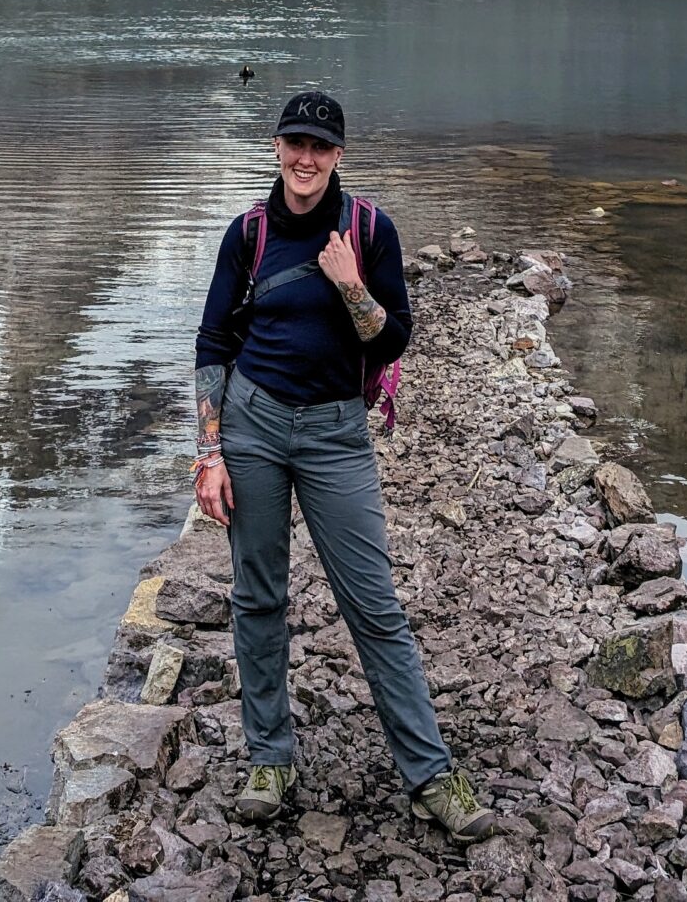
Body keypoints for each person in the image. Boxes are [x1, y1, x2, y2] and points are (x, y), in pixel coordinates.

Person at [193, 86, 499, 841]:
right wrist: (210, 453)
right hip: (254, 427)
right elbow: (212, 345)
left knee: (374, 606)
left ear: (338, 155)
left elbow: (392, 340)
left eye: (320, 147)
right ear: (277, 148)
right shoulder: (249, 233)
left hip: (337, 435)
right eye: (294, 144)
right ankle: (270, 759)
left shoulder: (370, 230)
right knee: (258, 596)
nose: (305, 158)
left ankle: (430, 774)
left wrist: (350, 282)